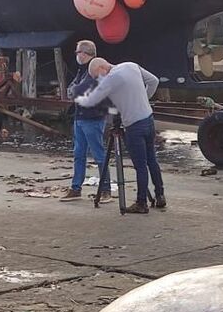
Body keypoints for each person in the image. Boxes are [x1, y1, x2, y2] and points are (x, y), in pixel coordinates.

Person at [74, 58, 165, 214]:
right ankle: (160, 195)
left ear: (102, 67)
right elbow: (154, 81)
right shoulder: (131, 66)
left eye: (97, 75)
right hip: (148, 119)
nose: (98, 79)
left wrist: (77, 95)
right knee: (152, 160)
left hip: (133, 125)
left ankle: (141, 202)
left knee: (140, 166)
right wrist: (144, 99)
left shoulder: (110, 79)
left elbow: (92, 101)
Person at [61, 40, 112, 203]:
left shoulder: (95, 69)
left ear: (84, 53)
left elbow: (77, 90)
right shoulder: (82, 70)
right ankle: (76, 188)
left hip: (93, 117)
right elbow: (74, 89)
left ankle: (105, 190)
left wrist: (75, 91)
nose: (76, 55)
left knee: (98, 154)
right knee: (79, 153)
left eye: (77, 52)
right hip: (80, 116)